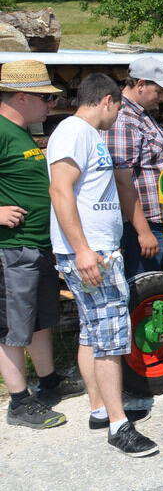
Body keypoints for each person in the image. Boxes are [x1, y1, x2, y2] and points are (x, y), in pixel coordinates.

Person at [48, 73, 157, 457]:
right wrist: (81, 250)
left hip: (96, 250)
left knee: (93, 333)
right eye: (117, 109)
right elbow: (60, 190)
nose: (117, 116)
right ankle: (118, 424)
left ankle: (99, 410)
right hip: (91, 253)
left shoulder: (87, 135)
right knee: (111, 337)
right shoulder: (73, 132)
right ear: (108, 100)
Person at [0, 60, 86, 429]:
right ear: (21, 97)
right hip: (12, 248)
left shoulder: (20, 131)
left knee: (37, 321)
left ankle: (49, 381)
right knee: (11, 327)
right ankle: (19, 402)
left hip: (35, 244)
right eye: (44, 99)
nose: (51, 106)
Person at [105, 56, 163, 280]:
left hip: (159, 221)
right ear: (140, 84)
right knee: (145, 290)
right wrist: (143, 232)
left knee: (160, 287)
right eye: (158, 91)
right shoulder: (124, 120)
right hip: (145, 225)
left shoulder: (141, 114)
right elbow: (121, 180)